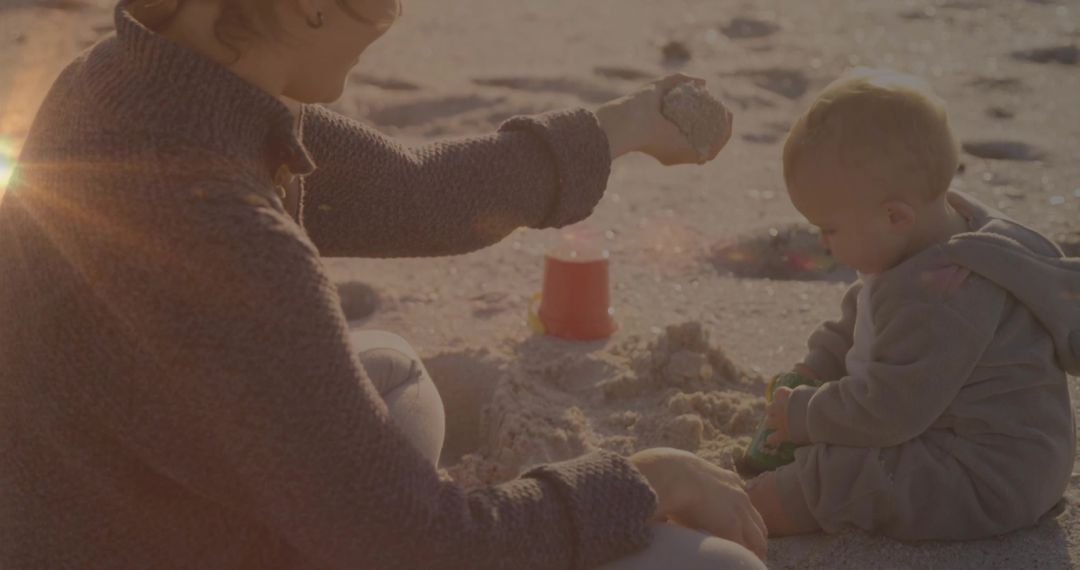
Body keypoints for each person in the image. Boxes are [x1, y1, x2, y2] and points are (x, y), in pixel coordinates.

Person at [0, 1, 767, 568]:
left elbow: (415, 192)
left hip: (94, 505)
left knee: (394, 368)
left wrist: (624, 126)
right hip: (170, 541)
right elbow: (417, 547)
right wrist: (643, 478)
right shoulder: (230, 236)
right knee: (717, 567)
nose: (390, 20)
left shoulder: (121, 84)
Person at [746, 68, 1080, 540]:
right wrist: (817, 366)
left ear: (895, 216)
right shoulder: (940, 231)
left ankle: (748, 513)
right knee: (846, 456)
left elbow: (888, 411)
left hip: (986, 477)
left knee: (843, 477)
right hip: (1017, 460)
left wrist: (807, 415)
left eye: (830, 229)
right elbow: (863, 312)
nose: (822, 242)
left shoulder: (941, 294)